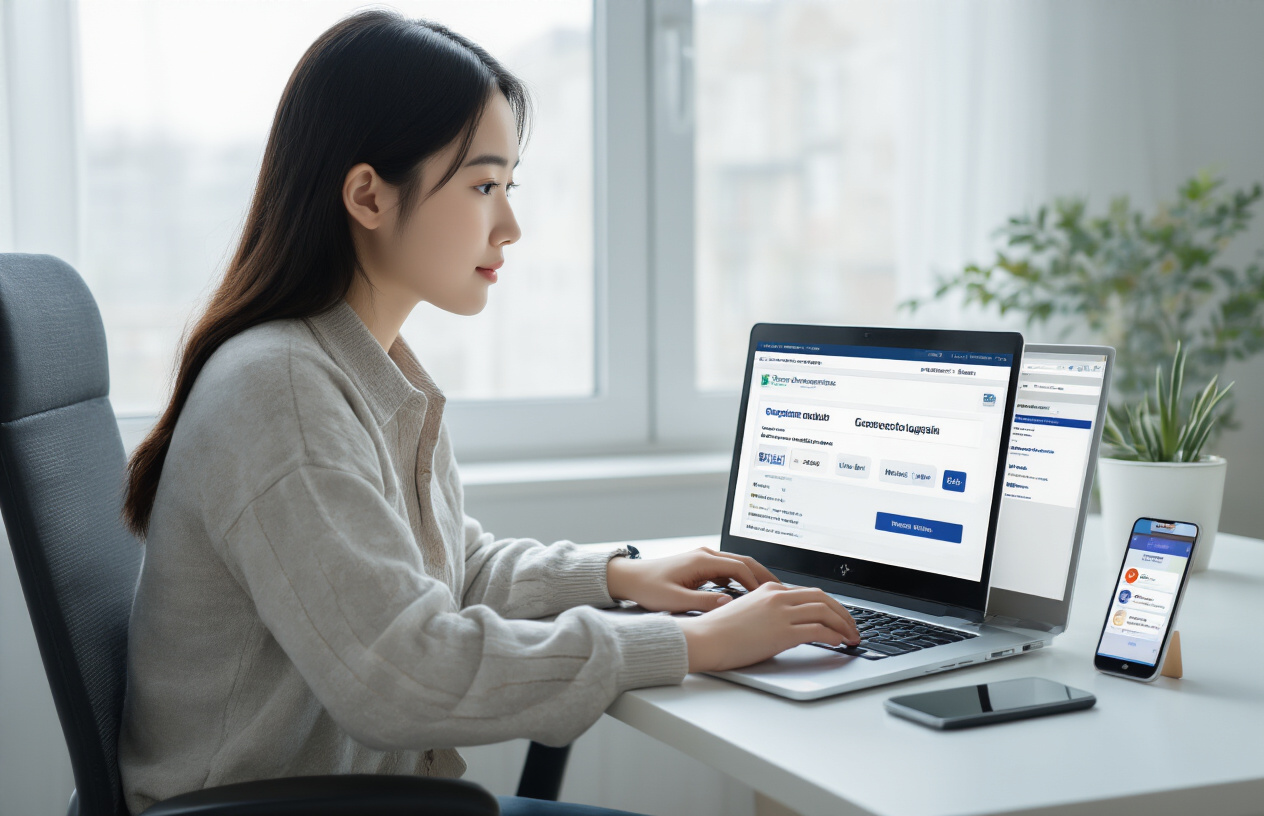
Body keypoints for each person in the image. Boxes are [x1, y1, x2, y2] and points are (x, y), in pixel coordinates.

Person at [116, 10, 859, 816]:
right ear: (367, 194)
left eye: (508, 188)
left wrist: (617, 575)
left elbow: (447, 572)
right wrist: (688, 642)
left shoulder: (356, 366)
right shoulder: (283, 389)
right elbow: (401, 674)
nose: (509, 226)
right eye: (481, 187)